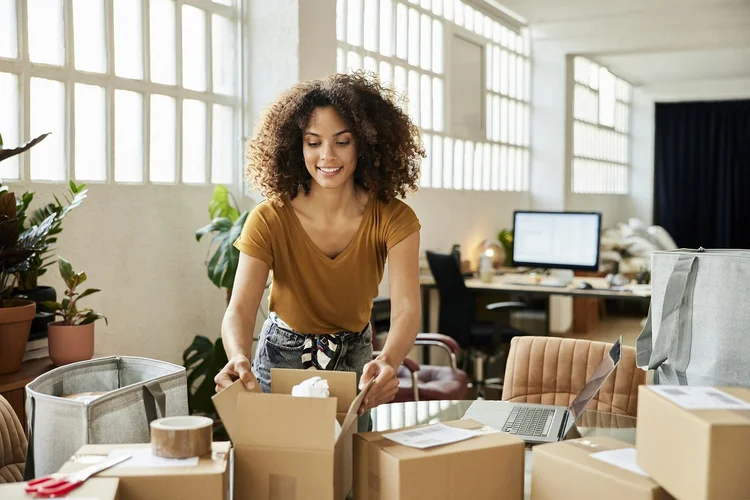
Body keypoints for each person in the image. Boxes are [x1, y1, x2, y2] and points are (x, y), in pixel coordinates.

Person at [214, 72, 424, 421]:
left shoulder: (394, 218)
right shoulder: (269, 218)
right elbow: (239, 309)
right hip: (280, 359)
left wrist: (387, 360)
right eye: (313, 142)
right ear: (296, 146)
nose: (327, 155)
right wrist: (237, 355)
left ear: (366, 144)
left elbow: (406, 310)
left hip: (356, 358)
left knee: (353, 467)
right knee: (279, 469)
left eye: (342, 141)